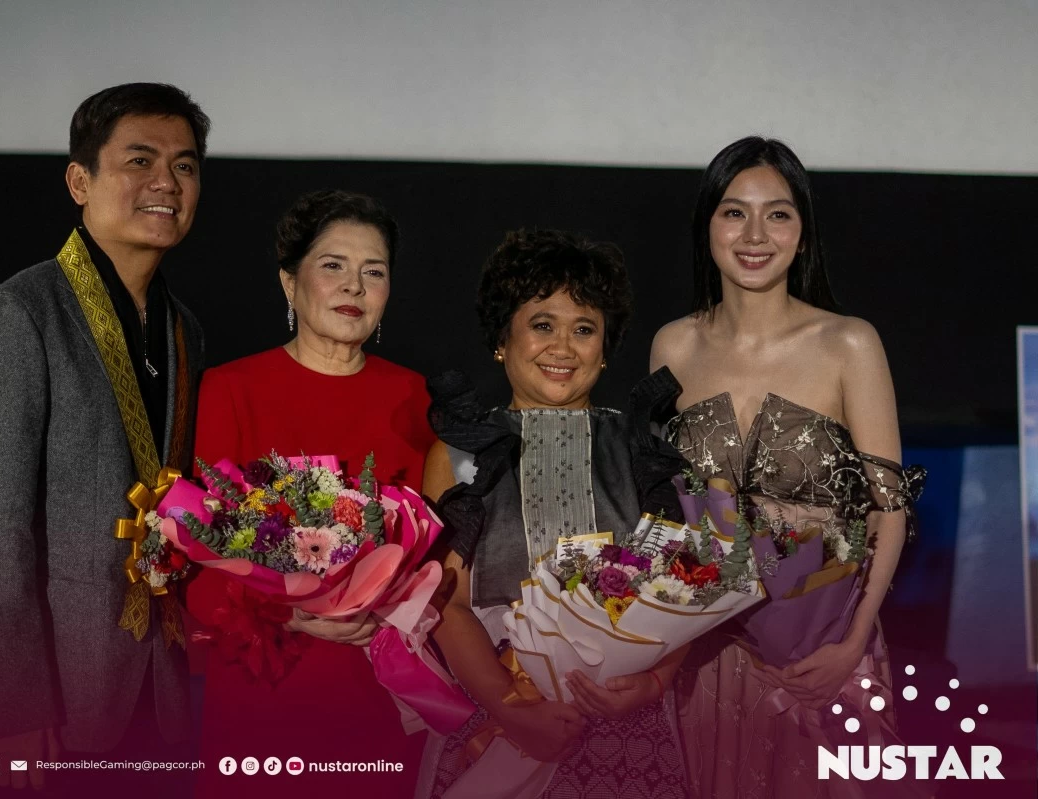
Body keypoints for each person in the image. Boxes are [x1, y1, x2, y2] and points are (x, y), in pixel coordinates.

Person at [0, 83, 210, 790]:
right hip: (51, 704)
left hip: (156, 685)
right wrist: (13, 704)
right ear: (80, 181)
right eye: (139, 161)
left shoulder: (184, 329)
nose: (165, 183)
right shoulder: (19, 315)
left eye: (184, 165)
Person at [651, 136, 923, 798]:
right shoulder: (673, 343)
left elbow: (890, 507)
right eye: (733, 211)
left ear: (802, 232)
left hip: (823, 655)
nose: (754, 234)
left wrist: (854, 642)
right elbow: (667, 505)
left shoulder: (847, 342)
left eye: (777, 213)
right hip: (707, 660)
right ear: (707, 225)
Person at [419, 228, 690, 798]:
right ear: (502, 338)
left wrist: (653, 683)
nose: (563, 347)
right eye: (543, 325)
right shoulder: (463, 449)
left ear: (606, 346)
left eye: (584, 329)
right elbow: (448, 603)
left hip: (623, 730)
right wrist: (513, 710)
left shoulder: (644, 445)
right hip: (495, 723)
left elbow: (685, 588)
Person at [186, 189, 436, 796]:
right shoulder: (230, 388)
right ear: (288, 282)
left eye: (372, 272)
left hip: (378, 684)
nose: (354, 286)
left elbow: (433, 555)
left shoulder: (416, 397)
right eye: (333, 266)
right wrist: (290, 612)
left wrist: (388, 605)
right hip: (265, 681)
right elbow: (196, 552)